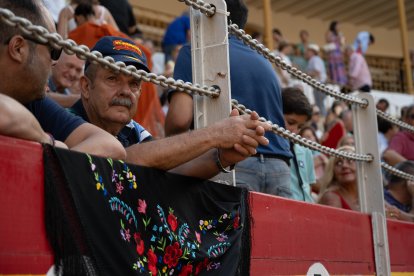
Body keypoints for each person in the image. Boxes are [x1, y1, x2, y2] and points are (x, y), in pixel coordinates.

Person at [69, 36, 271, 179]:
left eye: (134, 84)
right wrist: (216, 134)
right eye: (113, 79)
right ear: (86, 87)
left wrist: (221, 158)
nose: (125, 91)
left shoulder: (133, 131)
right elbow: (123, 161)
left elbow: (169, 166)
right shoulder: (66, 121)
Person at [165, 0, 292, 197]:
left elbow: (178, 120)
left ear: (207, 16)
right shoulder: (264, 60)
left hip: (233, 160)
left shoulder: (194, 51)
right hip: (280, 167)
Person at [0, 0, 126, 160]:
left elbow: (111, 146)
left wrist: (50, 156)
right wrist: (47, 141)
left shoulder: (32, 98)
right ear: (18, 48)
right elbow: (5, 115)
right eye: (54, 51)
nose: (54, 62)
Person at [282, 87, 315, 202]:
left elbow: (308, 186)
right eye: (291, 123)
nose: (295, 131)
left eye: (300, 127)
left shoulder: (305, 151)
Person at [318, 146, 359, 211]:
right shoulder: (331, 196)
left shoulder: (366, 194)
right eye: (339, 163)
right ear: (332, 171)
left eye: (350, 160)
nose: (344, 166)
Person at [305, 44, 327, 116]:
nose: (306, 53)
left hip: (319, 85)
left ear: (312, 52)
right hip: (319, 85)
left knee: (319, 105)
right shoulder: (316, 59)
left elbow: (317, 72)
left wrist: (306, 74)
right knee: (319, 104)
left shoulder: (314, 59)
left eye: (308, 51)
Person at [324, 21, 347, 86]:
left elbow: (342, 43)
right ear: (333, 26)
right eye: (337, 25)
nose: (339, 27)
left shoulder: (340, 33)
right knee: (333, 67)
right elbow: (328, 40)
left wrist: (342, 39)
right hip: (332, 53)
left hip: (338, 53)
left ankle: (340, 82)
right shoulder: (329, 32)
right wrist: (338, 38)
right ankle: (334, 81)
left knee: (339, 68)